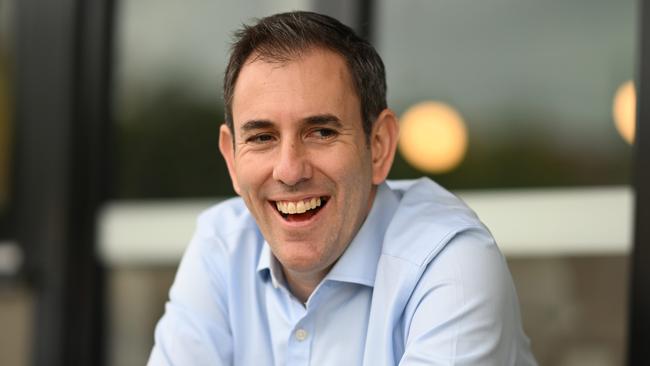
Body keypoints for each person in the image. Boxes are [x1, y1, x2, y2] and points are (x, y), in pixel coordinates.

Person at [148, 11, 537, 366]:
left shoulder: (451, 261)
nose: (289, 170)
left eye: (321, 132)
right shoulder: (221, 245)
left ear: (379, 145)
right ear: (232, 160)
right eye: (262, 137)